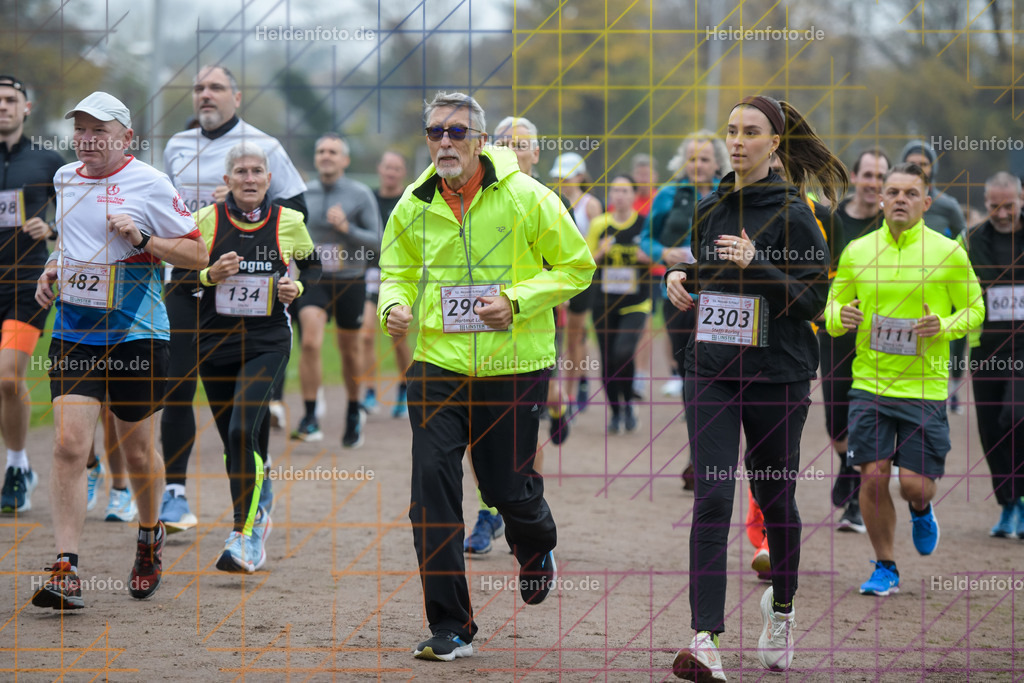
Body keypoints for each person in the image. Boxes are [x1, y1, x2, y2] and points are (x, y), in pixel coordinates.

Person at [378, 92, 594, 661]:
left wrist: (517, 301)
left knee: (505, 487)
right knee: (431, 491)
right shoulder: (414, 201)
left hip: (513, 364)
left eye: (456, 132)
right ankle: (451, 624)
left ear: (479, 140)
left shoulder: (527, 195)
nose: (444, 142)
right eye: (435, 132)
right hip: (439, 364)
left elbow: (577, 267)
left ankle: (536, 542)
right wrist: (392, 305)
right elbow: (396, 270)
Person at [667, 95, 842, 680]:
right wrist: (678, 276)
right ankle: (705, 638)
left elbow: (813, 301)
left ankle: (782, 608)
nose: (737, 142)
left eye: (750, 133)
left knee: (775, 501)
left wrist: (757, 264)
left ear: (774, 144)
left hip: (777, 375)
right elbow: (710, 273)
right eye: (732, 131)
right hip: (711, 370)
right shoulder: (710, 207)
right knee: (713, 496)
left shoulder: (797, 215)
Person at [32, 92, 209, 609]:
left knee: (135, 452)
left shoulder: (150, 183)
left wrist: (145, 238)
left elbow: (198, 253)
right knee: (69, 444)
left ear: (126, 137)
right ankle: (66, 566)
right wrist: (52, 268)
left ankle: (149, 535)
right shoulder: (65, 178)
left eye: (99, 131)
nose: (87, 140)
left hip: (137, 333)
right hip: (75, 331)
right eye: (81, 130)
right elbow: (71, 242)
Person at [824, 162, 984, 598]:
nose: (900, 199)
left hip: (924, 386)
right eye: (893, 192)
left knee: (913, 483)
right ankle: (885, 565)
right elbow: (832, 307)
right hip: (870, 384)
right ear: (881, 199)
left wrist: (944, 326)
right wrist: (841, 316)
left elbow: (975, 310)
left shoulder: (948, 253)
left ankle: (921, 506)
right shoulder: (858, 251)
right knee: (873, 475)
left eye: (911, 193)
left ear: (926, 202)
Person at [160, 64, 308, 531]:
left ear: (236, 97)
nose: (206, 94)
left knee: (243, 402)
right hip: (186, 280)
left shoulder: (264, 146)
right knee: (177, 385)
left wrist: (238, 200)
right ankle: (174, 493)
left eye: (216, 87)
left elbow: (297, 210)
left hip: (245, 286)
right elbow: (162, 210)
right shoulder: (176, 145)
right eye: (199, 88)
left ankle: (255, 475)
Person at [195, 142, 317, 572]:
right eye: (241, 172)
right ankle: (259, 498)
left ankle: (243, 536)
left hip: (267, 340)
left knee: (241, 428)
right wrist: (209, 275)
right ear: (227, 180)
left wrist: (297, 287)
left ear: (269, 178)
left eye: (257, 171)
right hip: (214, 343)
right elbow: (178, 276)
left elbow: (313, 266)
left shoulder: (289, 221)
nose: (250, 178)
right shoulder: (205, 220)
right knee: (238, 441)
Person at [462, 115, 575, 556]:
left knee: (523, 437)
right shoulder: (476, 199)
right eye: (504, 142)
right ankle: (488, 511)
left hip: (531, 333)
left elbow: (569, 268)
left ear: (535, 152)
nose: (511, 150)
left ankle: (526, 513)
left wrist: (521, 297)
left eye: (520, 144)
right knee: (475, 433)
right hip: (477, 331)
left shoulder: (546, 201)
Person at [289, 134, 381, 447]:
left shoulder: (360, 193)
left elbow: (378, 241)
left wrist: (347, 229)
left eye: (332, 151)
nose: (326, 155)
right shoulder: (304, 193)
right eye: (321, 151)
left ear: (345, 160)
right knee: (310, 342)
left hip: (350, 280)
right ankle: (310, 415)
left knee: (349, 350)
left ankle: (354, 409)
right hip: (314, 279)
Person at [0, 75, 63, 514]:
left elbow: (79, 214)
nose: (2, 106)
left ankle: (17, 466)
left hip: (25, 286)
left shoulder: (48, 161)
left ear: (26, 107)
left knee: (8, 378)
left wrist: (52, 228)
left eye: (10, 100)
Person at [823, 147, 889, 533]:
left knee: (866, 416)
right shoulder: (832, 220)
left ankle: (855, 502)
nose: (873, 183)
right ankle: (848, 466)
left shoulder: (892, 225)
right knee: (836, 421)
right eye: (868, 175)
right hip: (836, 331)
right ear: (854, 176)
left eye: (881, 177)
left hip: (880, 338)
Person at [960, 172, 1024, 538]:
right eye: (994, 206)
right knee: (991, 429)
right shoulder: (970, 241)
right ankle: (1009, 504)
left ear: (1021, 200)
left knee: (1015, 415)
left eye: (1009, 206)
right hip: (986, 349)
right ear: (985, 203)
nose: (1001, 213)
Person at [900, 140, 970, 414]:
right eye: (913, 162)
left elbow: (965, 245)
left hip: (943, 288)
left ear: (933, 169)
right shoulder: (895, 202)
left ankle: (951, 390)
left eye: (924, 163)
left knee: (952, 339)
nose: (918, 167)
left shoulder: (948, 206)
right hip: (903, 285)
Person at [589, 174, 652, 433]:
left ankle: (628, 405)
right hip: (603, 303)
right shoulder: (599, 225)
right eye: (615, 190)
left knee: (623, 353)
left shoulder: (645, 224)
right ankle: (616, 412)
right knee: (607, 359)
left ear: (634, 195)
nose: (619, 195)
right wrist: (600, 253)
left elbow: (660, 255)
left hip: (636, 302)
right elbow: (584, 261)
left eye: (625, 191)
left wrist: (648, 257)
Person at [551, 152, 602, 415]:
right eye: (558, 177)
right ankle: (558, 389)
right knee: (555, 336)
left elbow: (599, 246)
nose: (562, 181)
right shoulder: (551, 200)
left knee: (574, 336)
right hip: (557, 276)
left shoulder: (591, 205)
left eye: (567, 177)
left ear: (580, 177)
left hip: (582, 278)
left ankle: (572, 392)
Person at [362, 150, 412, 419]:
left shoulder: (410, 200)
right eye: (387, 167)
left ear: (403, 173)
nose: (391, 172)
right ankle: (370, 393)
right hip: (372, 273)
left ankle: (405, 389)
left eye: (396, 168)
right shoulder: (368, 199)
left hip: (400, 275)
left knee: (397, 337)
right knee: (366, 335)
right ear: (379, 170)